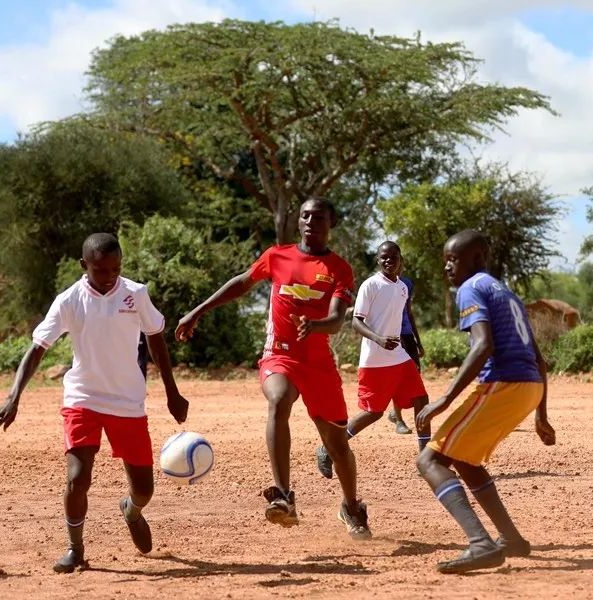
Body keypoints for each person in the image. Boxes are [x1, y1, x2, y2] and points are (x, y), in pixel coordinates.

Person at [0, 233, 190, 573]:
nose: (110, 276)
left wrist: (172, 391)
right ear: (84, 266)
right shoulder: (69, 301)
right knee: (77, 479)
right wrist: (13, 396)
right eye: (101, 270)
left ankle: (131, 509)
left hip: (128, 402)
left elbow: (156, 340)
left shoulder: (135, 294)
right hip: (83, 399)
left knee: (144, 489)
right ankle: (75, 548)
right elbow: (37, 348)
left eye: (116, 268)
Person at [175, 198, 372, 540]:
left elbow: (338, 319)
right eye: (306, 216)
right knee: (279, 399)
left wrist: (316, 324)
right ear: (298, 221)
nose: (311, 221)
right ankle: (284, 495)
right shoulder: (277, 255)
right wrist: (198, 311)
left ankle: (351, 505)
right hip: (279, 355)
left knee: (337, 445)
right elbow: (241, 282)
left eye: (319, 217)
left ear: (332, 223)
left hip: (318, 364)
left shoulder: (339, 268)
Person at [415, 230, 556, 574]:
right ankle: (511, 539)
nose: (448, 266)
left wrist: (444, 400)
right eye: (445, 260)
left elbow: (483, 346)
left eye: (454, 259)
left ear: (477, 258)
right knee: (464, 459)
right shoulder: (505, 292)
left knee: (429, 460)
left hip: (504, 384)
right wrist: (541, 413)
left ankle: (480, 543)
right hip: (528, 386)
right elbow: (540, 360)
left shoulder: (471, 288)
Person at [315, 241, 431, 479]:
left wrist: (413, 343)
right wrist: (378, 339)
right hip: (375, 360)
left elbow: (403, 317)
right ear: (378, 261)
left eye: (393, 257)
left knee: (422, 398)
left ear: (401, 260)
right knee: (374, 412)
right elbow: (357, 321)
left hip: (398, 355)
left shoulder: (402, 288)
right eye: (383, 258)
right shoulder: (371, 285)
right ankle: (327, 448)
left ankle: (426, 458)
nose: (389, 261)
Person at [386, 258, 424, 435]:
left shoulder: (407, 284)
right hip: (392, 336)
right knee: (396, 378)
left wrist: (418, 341)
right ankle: (399, 420)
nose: (396, 265)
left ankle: (395, 412)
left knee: (415, 374)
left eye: (400, 262)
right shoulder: (380, 284)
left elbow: (408, 311)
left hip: (407, 335)